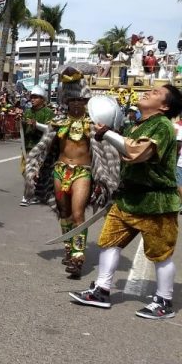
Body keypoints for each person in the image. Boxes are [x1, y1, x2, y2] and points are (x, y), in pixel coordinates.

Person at [71, 84, 182, 319]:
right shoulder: (137, 125)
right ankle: (102, 290)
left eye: (155, 93)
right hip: (127, 198)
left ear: (164, 106)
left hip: (155, 203)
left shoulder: (162, 126)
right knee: (109, 242)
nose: (148, 92)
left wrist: (107, 133)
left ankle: (164, 301)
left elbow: (136, 153)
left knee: (160, 253)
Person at [24, 68, 120, 278]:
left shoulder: (94, 125)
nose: (76, 103)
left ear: (86, 102)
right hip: (59, 172)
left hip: (82, 174)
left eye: (81, 100)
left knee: (78, 214)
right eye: (72, 100)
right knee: (64, 214)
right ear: (66, 101)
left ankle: (78, 256)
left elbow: (108, 150)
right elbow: (44, 149)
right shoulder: (57, 123)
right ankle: (69, 249)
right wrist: (35, 169)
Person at [19, 85, 55, 207]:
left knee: (33, 172)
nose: (32, 99)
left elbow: (50, 130)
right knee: (24, 171)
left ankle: (27, 195)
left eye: (35, 97)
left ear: (42, 99)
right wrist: (19, 121)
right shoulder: (28, 111)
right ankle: (36, 193)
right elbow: (21, 128)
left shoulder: (48, 113)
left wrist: (37, 124)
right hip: (27, 146)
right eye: (31, 97)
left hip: (40, 147)